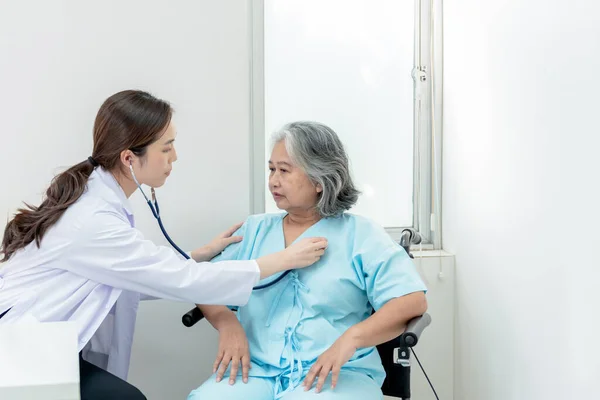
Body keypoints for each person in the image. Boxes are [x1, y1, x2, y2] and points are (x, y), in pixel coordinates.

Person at [0, 91, 327, 400]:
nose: (175, 156)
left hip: (39, 343)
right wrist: (283, 259)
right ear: (129, 158)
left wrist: (197, 255)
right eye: (166, 147)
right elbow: (183, 280)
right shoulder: (93, 219)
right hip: (22, 350)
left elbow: (132, 273)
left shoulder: (98, 200)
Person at [187, 121, 428, 400]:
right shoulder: (253, 230)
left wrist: (350, 340)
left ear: (318, 180)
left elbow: (412, 301)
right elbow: (203, 281)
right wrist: (227, 322)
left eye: (284, 171)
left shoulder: (361, 235)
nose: (273, 180)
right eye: (271, 169)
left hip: (337, 373)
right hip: (255, 371)